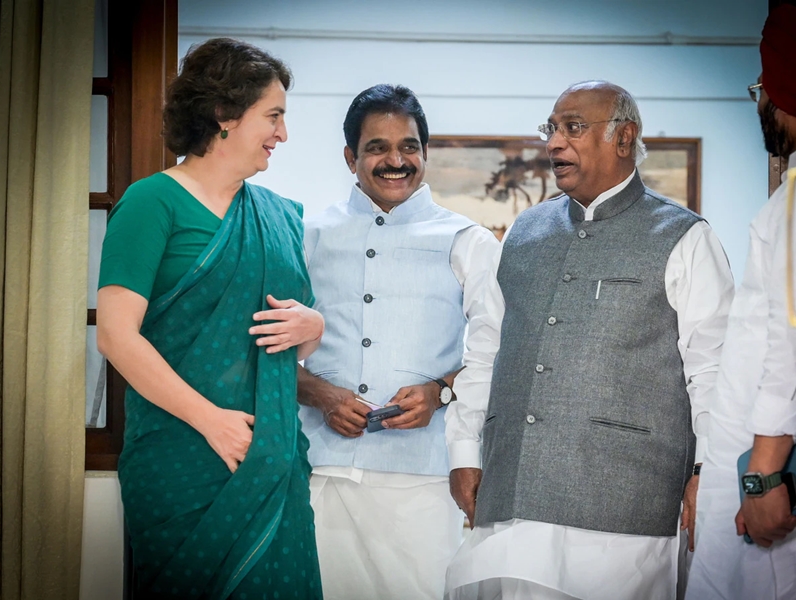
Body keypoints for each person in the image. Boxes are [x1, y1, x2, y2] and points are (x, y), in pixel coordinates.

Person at [444, 80, 735, 600]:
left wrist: (707, 472)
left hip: (625, 513)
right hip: (511, 498)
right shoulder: (524, 233)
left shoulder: (685, 236)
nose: (555, 143)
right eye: (551, 128)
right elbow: (486, 350)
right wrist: (464, 449)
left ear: (623, 137)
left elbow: (713, 369)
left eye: (573, 128)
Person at [96, 38, 324, 599]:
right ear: (225, 114)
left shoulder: (279, 216)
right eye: (273, 116)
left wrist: (313, 328)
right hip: (181, 457)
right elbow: (116, 336)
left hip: (270, 454)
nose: (283, 134)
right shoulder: (152, 202)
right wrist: (211, 421)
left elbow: (282, 339)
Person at [296, 84, 500, 600]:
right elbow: (265, 345)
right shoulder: (307, 236)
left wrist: (440, 392)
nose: (395, 160)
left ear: (425, 153)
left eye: (409, 146)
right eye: (377, 147)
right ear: (351, 157)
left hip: (424, 477)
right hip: (320, 467)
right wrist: (319, 394)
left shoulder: (467, 241)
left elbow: (499, 351)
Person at [686, 6, 796, 599]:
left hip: (765, 471)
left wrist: (763, 476)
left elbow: (789, 345)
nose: (762, 104)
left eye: (763, 89)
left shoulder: (793, 203)